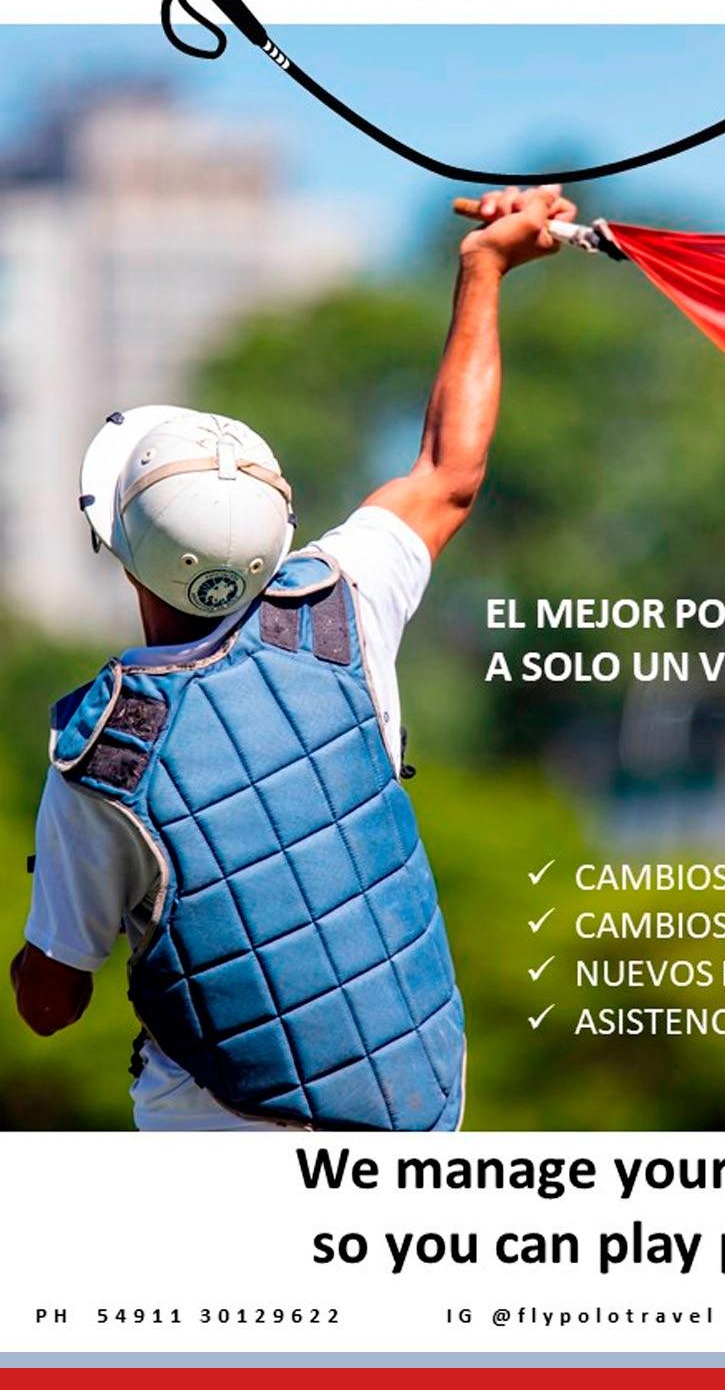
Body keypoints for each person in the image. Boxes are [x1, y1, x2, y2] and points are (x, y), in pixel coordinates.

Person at [9, 184, 574, 1131]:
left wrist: (41, 932)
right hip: (416, 1122)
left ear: (118, 549)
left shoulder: (103, 754)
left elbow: (50, 1003)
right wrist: (485, 269)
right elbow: (450, 469)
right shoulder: (344, 602)